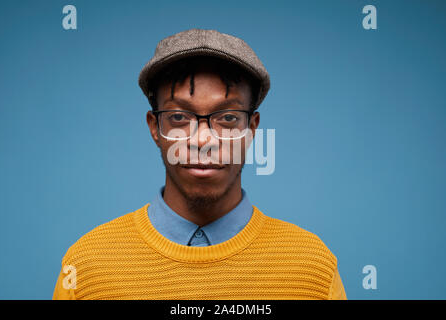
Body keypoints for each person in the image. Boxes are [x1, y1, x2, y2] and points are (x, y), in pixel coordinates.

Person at [53, 28, 347, 300]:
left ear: (252, 128)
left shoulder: (313, 270)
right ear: (155, 127)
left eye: (228, 118)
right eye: (179, 118)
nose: (203, 139)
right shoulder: (86, 268)